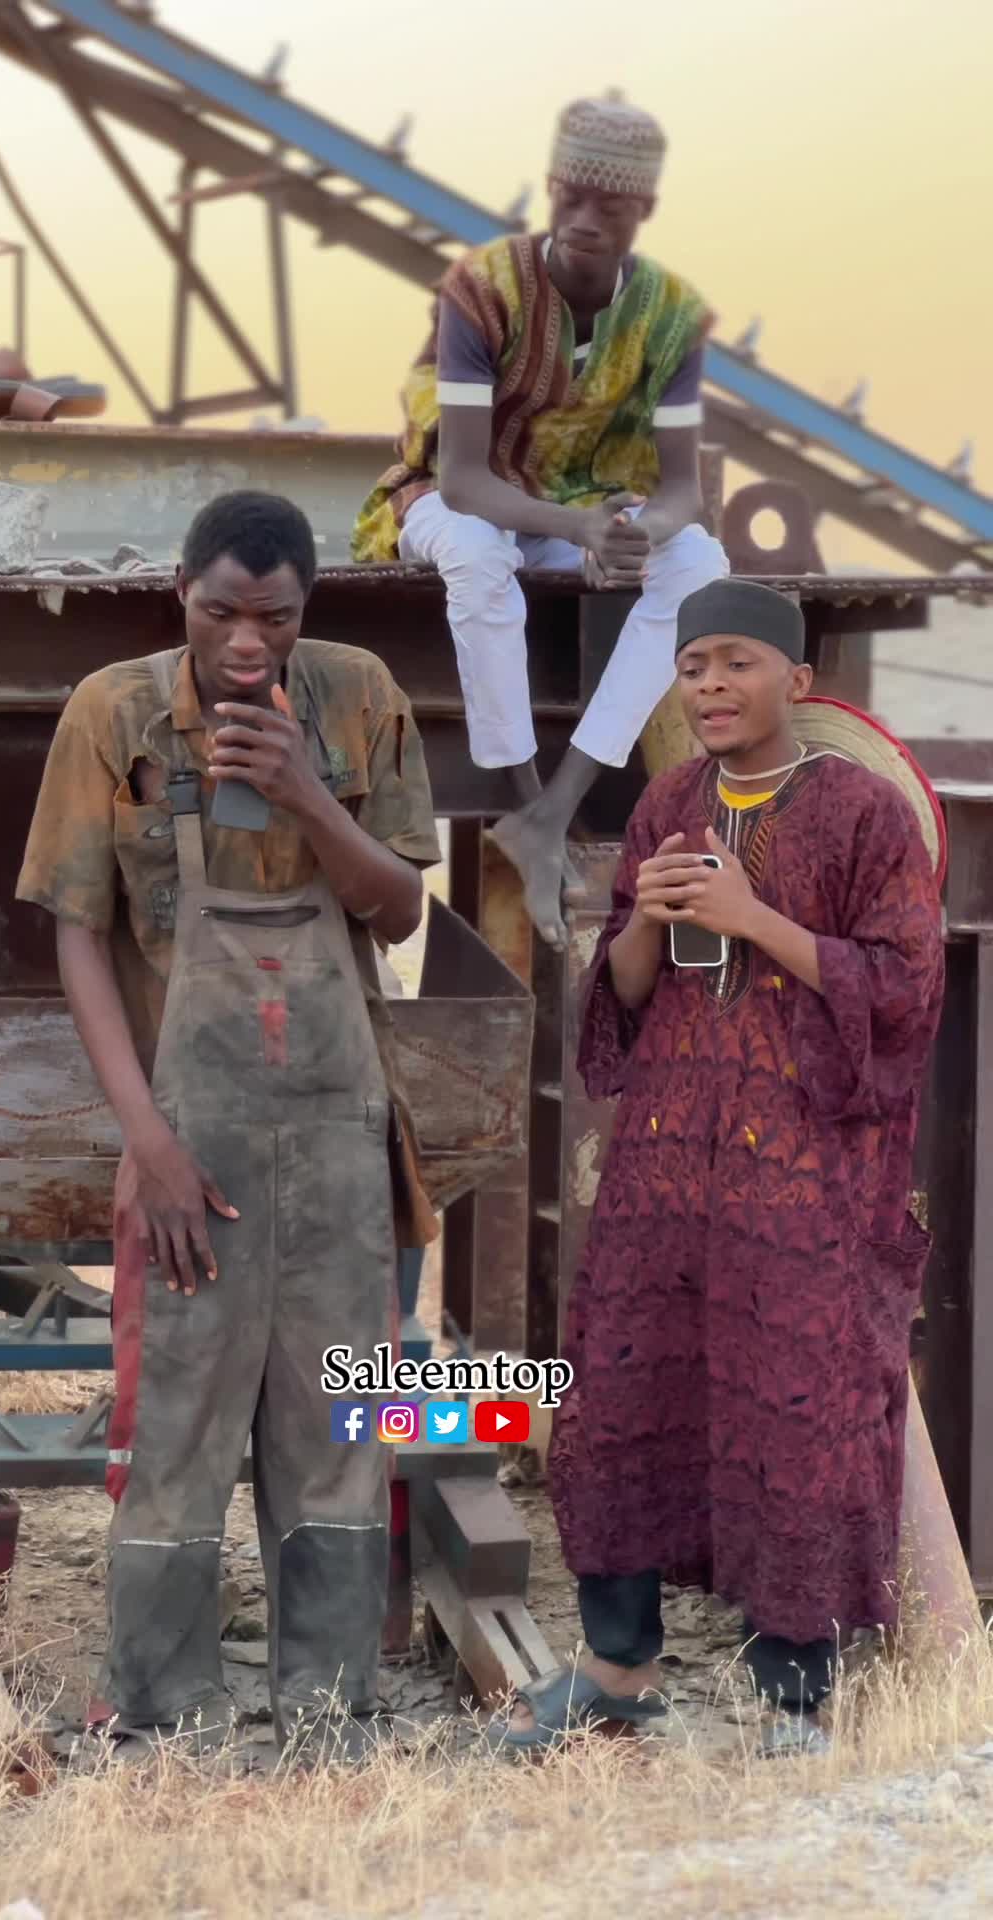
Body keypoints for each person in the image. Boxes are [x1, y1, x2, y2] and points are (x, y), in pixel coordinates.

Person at [16, 490, 441, 1757]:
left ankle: (328, 1708)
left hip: (338, 1137)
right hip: (185, 1140)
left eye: (277, 618)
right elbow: (78, 937)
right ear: (181, 595)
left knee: (342, 1423)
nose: (247, 643)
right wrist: (147, 1142)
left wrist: (308, 795)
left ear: (307, 609)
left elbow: (398, 910)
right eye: (221, 614)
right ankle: (163, 1708)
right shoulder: (114, 714)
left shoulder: (359, 699)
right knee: (178, 1423)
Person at [489, 578, 944, 1756]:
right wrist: (646, 917)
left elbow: (903, 992)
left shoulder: (863, 814)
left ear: (797, 680)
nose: (711, 687)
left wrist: (752, 917)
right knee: (619, 1396)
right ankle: (618, 1666)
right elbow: (628, 993)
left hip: (802, 1168)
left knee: (796, 1412)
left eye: (736, 662)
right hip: (669, 1157)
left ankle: (795, 1696)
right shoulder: (669, 803)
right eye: (693, 668)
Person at [352, 94, 728, 949]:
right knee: (477, 558)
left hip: (575, 511)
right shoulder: (482, 289)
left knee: (699, 564)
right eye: (572, 196)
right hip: (450, 502)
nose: (587, 219)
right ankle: (525, 802)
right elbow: (462, 480)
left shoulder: (671, 316)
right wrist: (582, 527)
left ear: (645, 209)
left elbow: (682, 492)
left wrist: (636, 532)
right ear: (551, 187)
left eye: (612, 205)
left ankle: (552, 812)